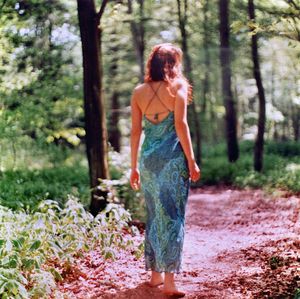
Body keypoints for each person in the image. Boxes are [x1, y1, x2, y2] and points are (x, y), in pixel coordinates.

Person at [130, 43, 201, 297]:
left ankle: (155, 275)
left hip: (148, 161)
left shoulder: (138, 92)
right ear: (172, 63)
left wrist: (133, 168)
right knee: (173, 216)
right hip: (173, 161)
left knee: (154, 214)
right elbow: (180, 125)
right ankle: (170, 282)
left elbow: (136, 132)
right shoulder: (179, 86)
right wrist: (191, 160)